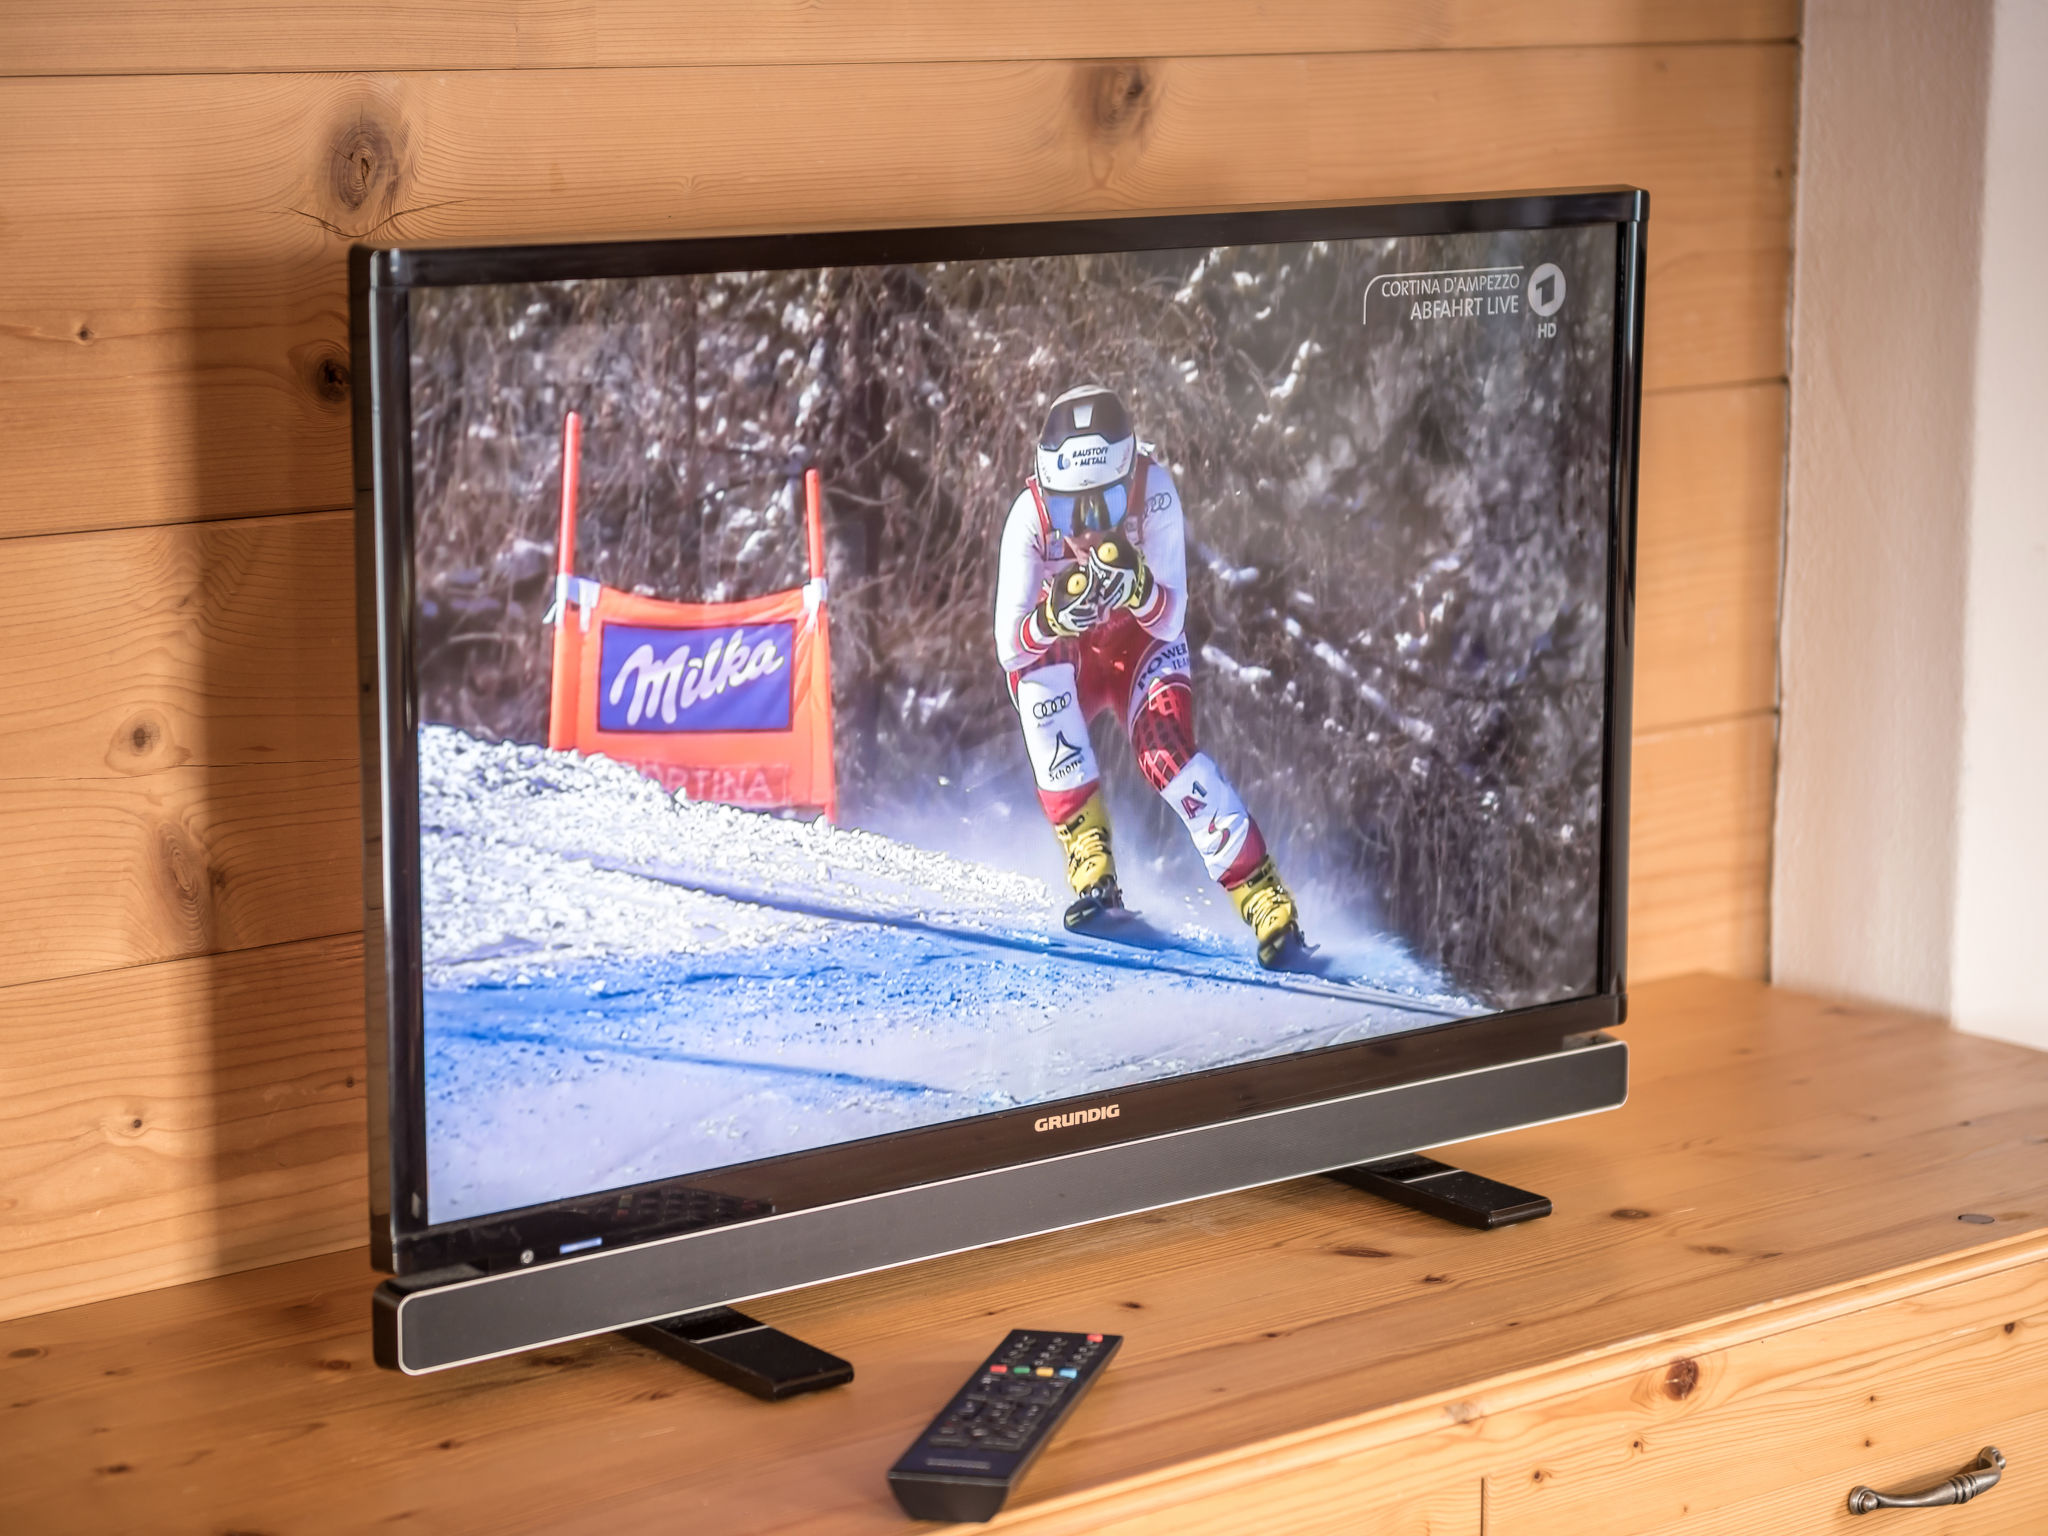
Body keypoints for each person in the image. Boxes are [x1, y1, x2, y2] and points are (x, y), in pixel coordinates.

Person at [992, 384, 1305, 967]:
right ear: (1044, 492)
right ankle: (1090, 858)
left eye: (1101, 508)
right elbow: (1009, 647)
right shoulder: (1026, 519)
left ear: (1127, 480)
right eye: (1068, 509)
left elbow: (1171, 621)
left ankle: (1263, 895)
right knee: (1037, 677)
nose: (1084, 529)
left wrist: (1137, 587)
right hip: (1073, 656)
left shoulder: (1153, 490)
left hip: (1141, 646)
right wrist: (1051, 617)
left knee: (1167, 756)